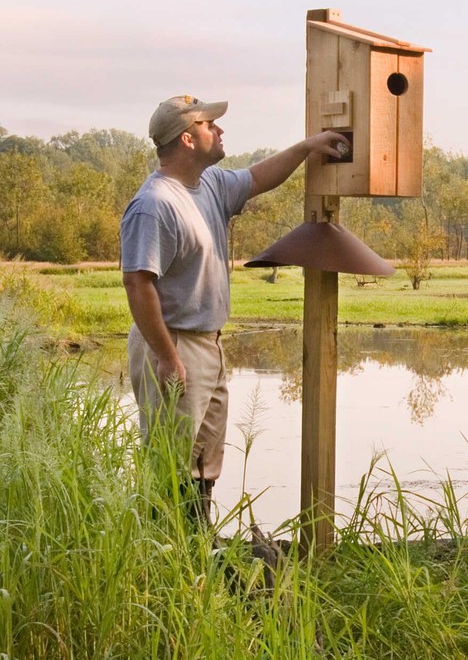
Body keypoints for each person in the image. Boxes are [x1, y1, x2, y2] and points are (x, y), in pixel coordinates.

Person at [120, 94, 347, 520]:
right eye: (210, 125)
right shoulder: (155, 205)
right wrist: (168, 357)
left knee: (204, 461)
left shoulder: (210, 186)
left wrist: (305, 148)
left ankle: (194, 548)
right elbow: (137, 282)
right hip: (173, 344)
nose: (220, 130)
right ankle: (160, 560)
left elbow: (258, 178)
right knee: (169, 462)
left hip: (208, 344)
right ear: (188, 139)